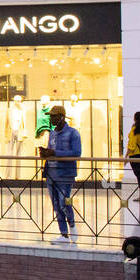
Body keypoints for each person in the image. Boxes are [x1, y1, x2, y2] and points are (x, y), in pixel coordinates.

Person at [39, 104, 82, 243]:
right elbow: (52, 150)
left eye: (54, 116)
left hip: (65, 174)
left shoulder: (73, 133)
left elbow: (76, 153)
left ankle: (73, 226)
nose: (51, 119)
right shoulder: (52, 133)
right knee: (56, 205)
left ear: (62, 117)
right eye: (50, 116)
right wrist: (46, 153)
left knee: (64, 202)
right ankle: (63, 234)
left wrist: (54, 153)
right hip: (51, 173)